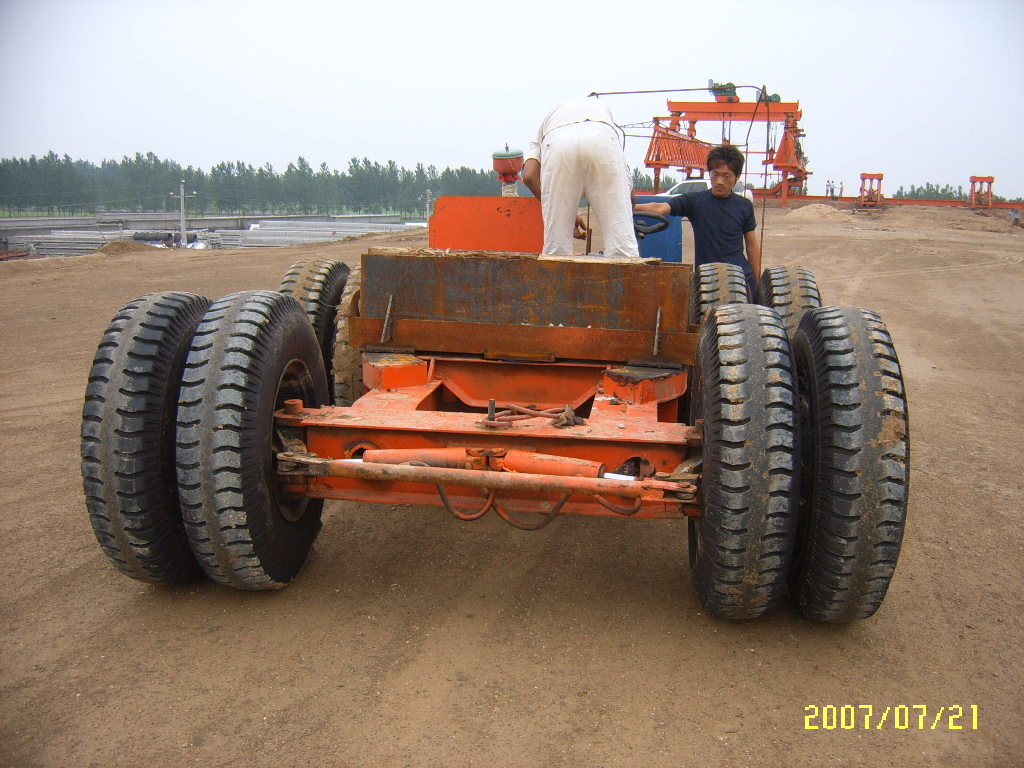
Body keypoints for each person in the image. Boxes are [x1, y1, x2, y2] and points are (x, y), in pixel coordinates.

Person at [521, 97, 640, 260]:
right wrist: (626, 214)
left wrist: (560, 212)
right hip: (602, 139)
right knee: (623, 250)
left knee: (557, 251)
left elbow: (528, 175)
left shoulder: (546, 124)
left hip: (558, 143)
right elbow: (630, 196)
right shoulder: (604, 116)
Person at [634, 144, 761, 292]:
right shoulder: (695, 201)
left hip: (740, 278)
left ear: (737, 177)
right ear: (710, 173)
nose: (720, 181)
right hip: (708, 280)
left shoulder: (744, 205)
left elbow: (752, 245)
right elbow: (660, 207)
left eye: (726, 176)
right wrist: (628, 207)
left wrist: (757, 283)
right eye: (715, 174)